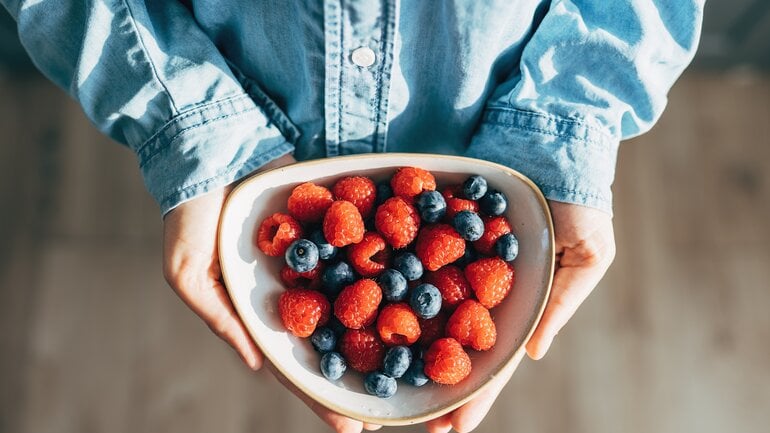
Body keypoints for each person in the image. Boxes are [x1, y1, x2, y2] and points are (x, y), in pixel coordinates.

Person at [2, 1, 703, 432]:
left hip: (492, 111)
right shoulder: (394, 266)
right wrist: (187, 119)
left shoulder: (422, 273)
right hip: (238, 112)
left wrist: (567, 124)